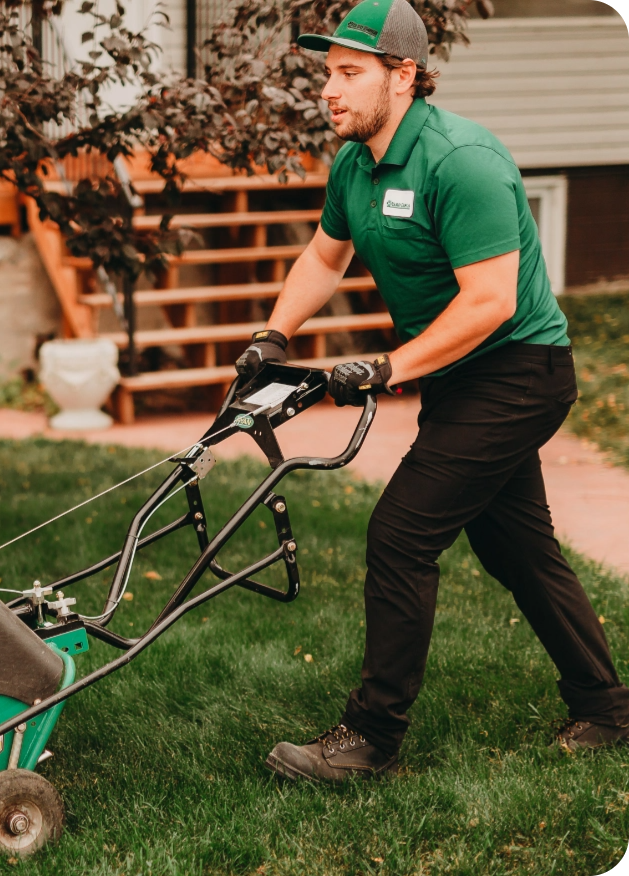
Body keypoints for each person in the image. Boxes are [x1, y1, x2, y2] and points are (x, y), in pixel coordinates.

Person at [234, 0, 629, 785]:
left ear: (404, 75)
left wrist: (388, 366)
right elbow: (323, 257)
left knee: (402, 533)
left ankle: (371, 737)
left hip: (519, 372)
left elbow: (491, 302)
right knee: (516, 546)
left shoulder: (461, 161)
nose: (330, 91)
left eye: (350, 74)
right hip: (460, 377)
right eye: (327, 75)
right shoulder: (354, 162)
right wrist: (273, 336)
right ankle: (610, 707)